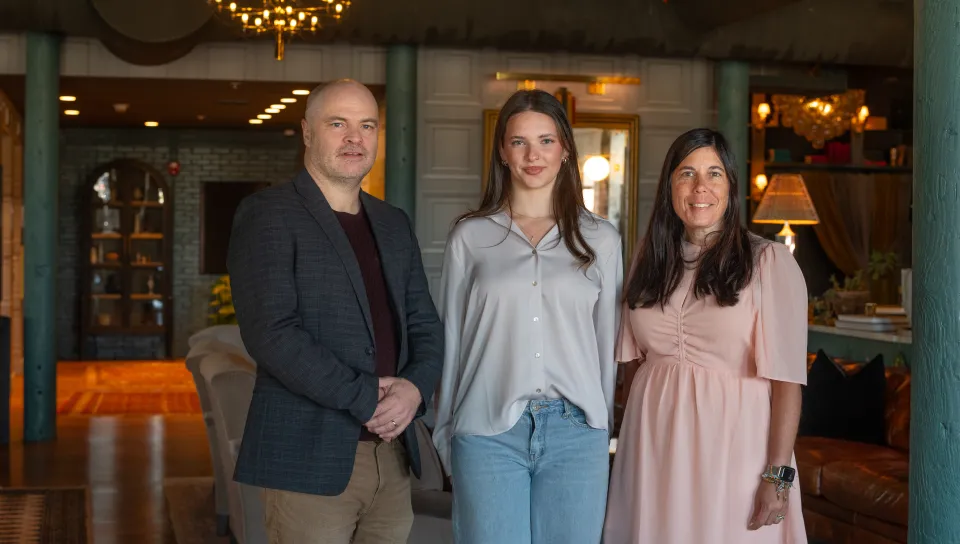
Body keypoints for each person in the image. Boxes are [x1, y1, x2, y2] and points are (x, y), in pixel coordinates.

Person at [227, 79, 444, 544]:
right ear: (307, 132)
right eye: (338, 124)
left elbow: (425, 323)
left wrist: (413, 390)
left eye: (367, 125)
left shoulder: (392, 223)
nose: (354, 138)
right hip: (308, 458)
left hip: (393, 455)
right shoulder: (268, 214)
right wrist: (366, 398)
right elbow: (272, 334)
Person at [432, 89, 622, 544]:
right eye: (518, 142)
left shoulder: (602, 239)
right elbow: (452, 342)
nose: (533, 155)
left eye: (546, 141)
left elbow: (607, 344)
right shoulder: (470, 237)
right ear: (502, 152)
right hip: (486, 433)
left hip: (577, 434)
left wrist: (602, 427)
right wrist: (446, 432)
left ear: (566, 150)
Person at [603, 128, 808, 543]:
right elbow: (631, 364)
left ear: (731, 187)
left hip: (734, 446)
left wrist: (778, 475)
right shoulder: (649, 256)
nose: (701, 188)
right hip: (651, 447)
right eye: (687, 174)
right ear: (670, 186)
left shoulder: (768, 262)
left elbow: (788, 383)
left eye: (714, 174)